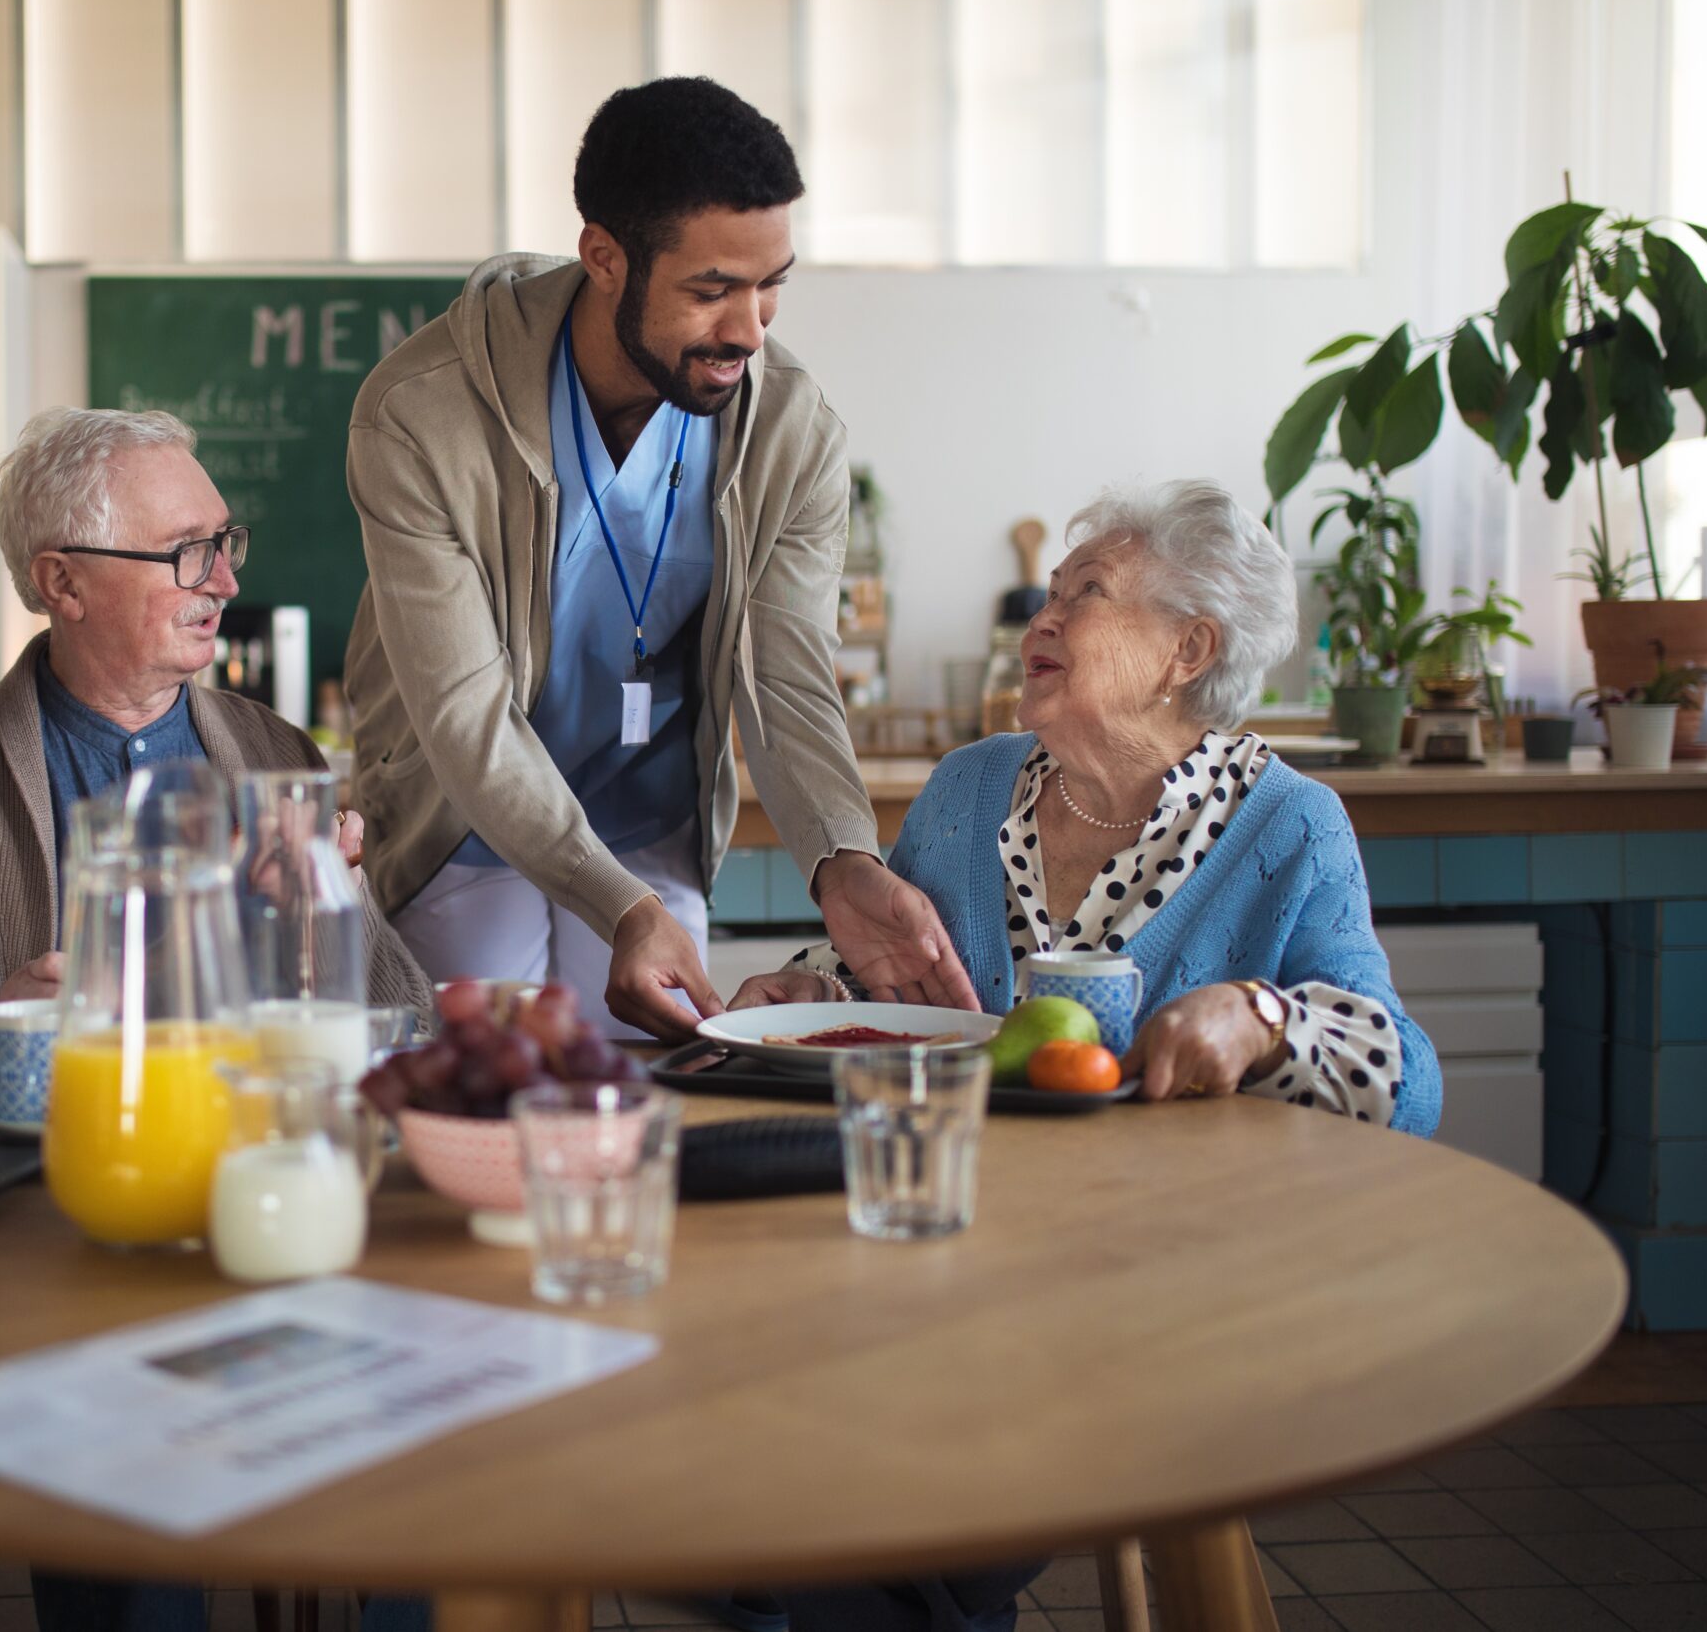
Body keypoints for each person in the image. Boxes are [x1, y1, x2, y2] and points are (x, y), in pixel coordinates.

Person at [344, 76, 959, 1043]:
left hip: (654, 824)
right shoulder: (421, 414)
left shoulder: (791, 429)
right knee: (486, 1083)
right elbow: (464, 714)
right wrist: (614, 906)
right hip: (464, 822)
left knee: (657, 1097)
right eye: (711, 291)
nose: (749, 331)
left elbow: (789, 680)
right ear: (605, 258)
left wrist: (843, 860)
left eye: (771, 286)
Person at [736, 479, 1443, 1134]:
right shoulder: (964, 787)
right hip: (962, 1206)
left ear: (1188, 649)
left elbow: (1408, 1087)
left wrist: (1262, 1021)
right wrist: (816, 990)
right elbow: (892, 979)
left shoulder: (1292, 823)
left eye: (1087, 592)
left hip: (1177, 1238)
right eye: (1049, 595)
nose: (1041, 620)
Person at [0, 405, 432, 1092]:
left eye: (225, 541)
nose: (225, 582)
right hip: (41, 1189)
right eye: (188, 551)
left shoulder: (278, 754)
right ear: (63, 584)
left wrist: (338, 905)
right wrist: (9, 1045)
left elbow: (410, 1026)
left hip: (248, 1162)